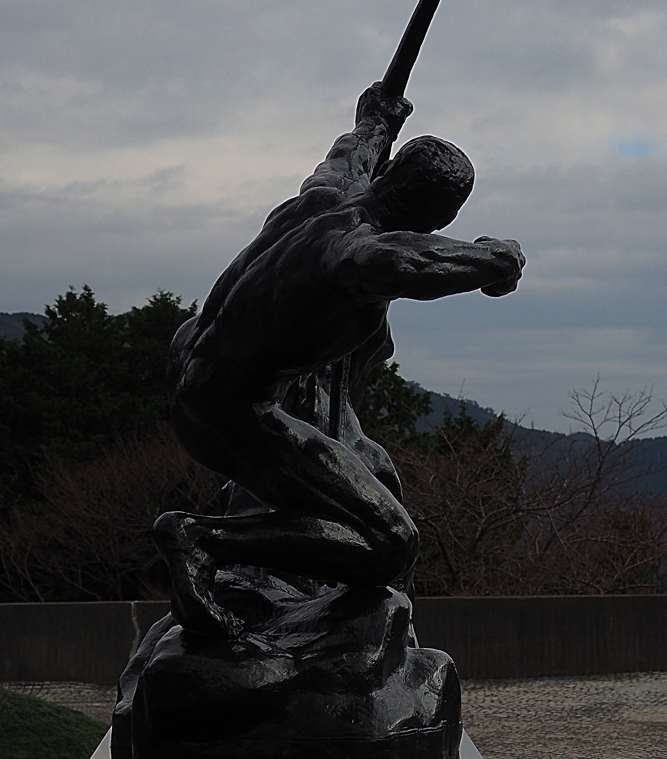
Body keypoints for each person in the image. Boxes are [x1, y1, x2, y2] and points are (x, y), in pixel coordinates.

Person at [155, 83, 525, 635]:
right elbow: (414, 264)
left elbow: (350, 153)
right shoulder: (362, 255)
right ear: (437, 218)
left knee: (368, 465)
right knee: (392, 545)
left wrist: (378, 120)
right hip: (234, 414)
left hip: (191, 365)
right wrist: (498, 259)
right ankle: (201, 541)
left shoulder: (324, 196)